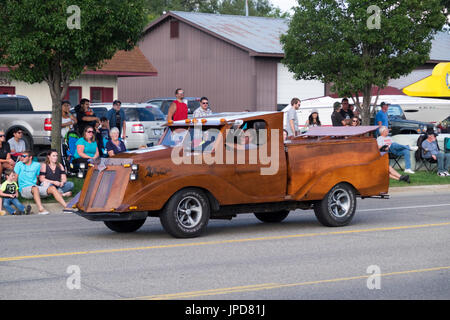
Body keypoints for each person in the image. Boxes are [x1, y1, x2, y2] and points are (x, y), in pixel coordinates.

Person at [14, 150, 49, 215]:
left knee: (52, 188)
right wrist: (15, 190)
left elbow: (37, 177)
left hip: (34, 187)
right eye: (21, 156)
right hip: (25, 189)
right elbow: (15, 179)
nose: (22, 158)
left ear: (30, 157)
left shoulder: (37, 165)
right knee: (35, 188)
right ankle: (41, 209)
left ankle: (67, 207)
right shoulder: (19, 164)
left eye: (24, 156)